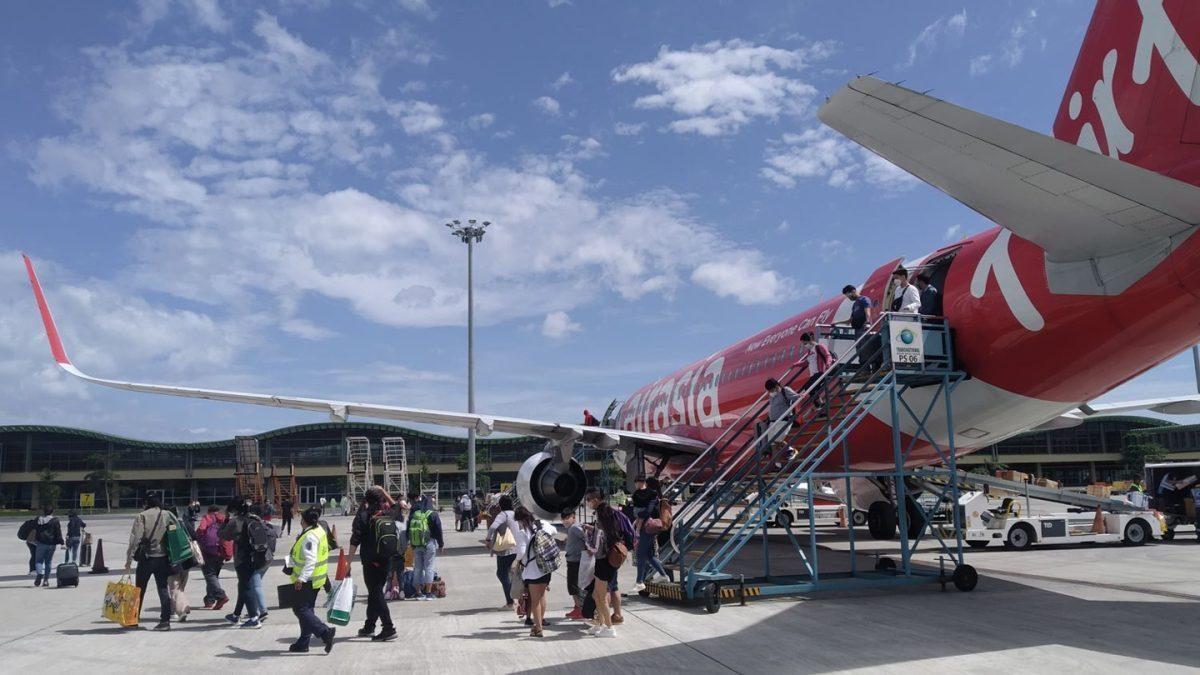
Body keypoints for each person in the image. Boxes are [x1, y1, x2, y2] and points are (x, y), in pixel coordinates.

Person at [349, 486, 397, 641]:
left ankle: (388, 627)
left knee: (376, 593)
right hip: (386, 560)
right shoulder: (387, 514)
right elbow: (396, 506)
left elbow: (354, 541)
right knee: (374, 593)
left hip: (371, 562)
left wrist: (348, 563)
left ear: (366, 500)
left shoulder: (363, 517)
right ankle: (369, 626)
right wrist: (383, 490)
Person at [285, 507, 337, 654]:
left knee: (300, 609)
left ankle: (325, 632)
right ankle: (303, 642)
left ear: (304, 521)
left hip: (308, 579)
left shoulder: (309, 537)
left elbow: (311, 560)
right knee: (308, 610)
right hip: (317, 578)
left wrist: (301, 578)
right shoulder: (319, 530)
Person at [220, 498, 271, 629]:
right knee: (243, 586)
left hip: (243, 559)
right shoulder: (255, 519)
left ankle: (254, 618)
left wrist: (225, 520)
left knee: (246, 587)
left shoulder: (235, 522)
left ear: (234, 509)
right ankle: (236, 615)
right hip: (258, 557)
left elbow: (223, 535)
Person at [584, 489, 633, 625]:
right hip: (614, 555)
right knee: (612, 587)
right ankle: (616, 616)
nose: (587, 503)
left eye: (588, 500)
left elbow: (603, 536)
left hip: (605, 558)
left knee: (602, 593)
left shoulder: (603, 513)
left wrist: (592, 539)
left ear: (595, 500)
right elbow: (609, 533)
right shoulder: (612, 512)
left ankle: (604, 622)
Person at [126, 493, 173, 630]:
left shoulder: (142, 516)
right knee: (163, 588)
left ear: (146, 502)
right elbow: (175, 533)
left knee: (139, 589)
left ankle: (134, 619)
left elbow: (136, 538)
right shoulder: (167, 514)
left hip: (147, 558)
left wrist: (129, 559)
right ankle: (165, 621)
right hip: (163, 557)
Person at [512, 506, 557, 638]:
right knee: (542, 596)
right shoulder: (543, 524)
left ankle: (538, 628)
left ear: (520, 520)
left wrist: (517, 561)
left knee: (535, 600)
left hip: (533, 570)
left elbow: (521, 552)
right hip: (546, 567)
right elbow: (554, 531)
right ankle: (540, 623)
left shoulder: (523, 532)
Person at [585, 502, 624, 638]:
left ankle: (609, 627)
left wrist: (587, 542)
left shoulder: (601, 532)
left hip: (603, 566)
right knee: (596, 595)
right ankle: (600, 624)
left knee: (601, 598)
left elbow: (595, 550)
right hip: (607, 566)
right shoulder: (612, 529)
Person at [633, 478, 671, 592]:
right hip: (652, 528)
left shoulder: (652, 497)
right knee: (649, 555)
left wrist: (639, 516)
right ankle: (664, 575)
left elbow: (646, 512)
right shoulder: (655, 496)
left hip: (648, 528)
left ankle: (640, 581)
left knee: (640, 555)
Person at [408, 494, 444, 600]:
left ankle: (418, 593)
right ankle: (428, 593)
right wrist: (441, 544)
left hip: (416, 544)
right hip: (429, 543)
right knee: (429, 567)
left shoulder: (415, 513)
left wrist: (411, 542)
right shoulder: (433, 514)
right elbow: (438, 530)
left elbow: (409, 527)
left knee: (417, 568)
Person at [485, 494, 518, 608]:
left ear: (500, 505)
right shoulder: (515, 514)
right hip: (516, 548)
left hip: (505, 549)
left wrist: (488, 539)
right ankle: (517, 598)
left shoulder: (503, 515)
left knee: (501, 573)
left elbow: (493, 527)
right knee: (511, 573)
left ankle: (510, 601)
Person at [196, 504, 230, 610]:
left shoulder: (207, 517)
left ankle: (221, 596)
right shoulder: (223, 519)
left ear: (209, 511)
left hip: (208, 551)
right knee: (214, 576)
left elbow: (201, 529)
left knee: (210, 575)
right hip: (221, 550)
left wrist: (198, 538)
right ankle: (209, 599)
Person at [841, 284, 876, 370]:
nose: (848, 298)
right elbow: (850, 320)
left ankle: (870, 369)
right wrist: (836, 323)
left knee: (866, 349)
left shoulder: (864, 299)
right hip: (857, 330)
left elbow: (867, 312)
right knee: (859, 351)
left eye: (848, 295)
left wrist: (867, 323)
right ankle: (864, 370)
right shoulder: (854, 305)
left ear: (853, 291)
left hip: (863, 328)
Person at [798, 332, 834, 411]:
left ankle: (819, 404)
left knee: (808, 387)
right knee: (810, 388)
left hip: (820, 372)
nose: (805, 345)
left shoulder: (819, 346)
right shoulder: (810, 351)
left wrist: (828, 363)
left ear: (809, 340)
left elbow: (827, 355)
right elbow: (807, 362)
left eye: (805, 343)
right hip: (813, 374)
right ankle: (820, 405)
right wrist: (796, 364)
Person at [562, 509, 585, 619]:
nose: (565, 521)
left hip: (575, 561)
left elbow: (585, 537)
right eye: (563, 519)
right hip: (573, 559)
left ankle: (579, 609)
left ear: (574, 517)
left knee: (573, 586)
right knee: (573, 585)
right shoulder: (572, 528)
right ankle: (577, 607)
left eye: (567, 518)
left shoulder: (574, 528)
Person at [32, 505, 63, 588]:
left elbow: (33, 528)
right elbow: (58, 532)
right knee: (48, 562)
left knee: (38, 561)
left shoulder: (38, 519)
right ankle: (46, 581)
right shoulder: (55, 520)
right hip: (52, 544)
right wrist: (62, 542)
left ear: (44, 512)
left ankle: (39, 573)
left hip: (41, 543)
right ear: (52, 512)